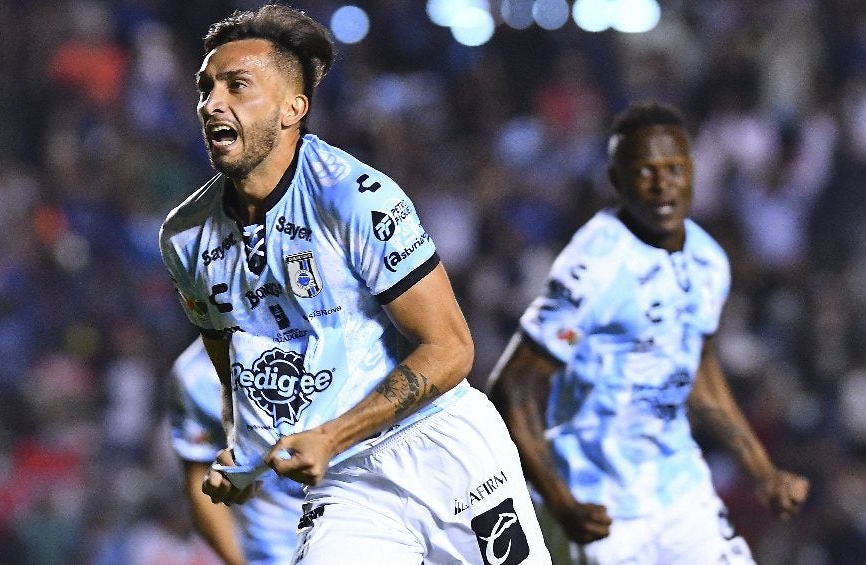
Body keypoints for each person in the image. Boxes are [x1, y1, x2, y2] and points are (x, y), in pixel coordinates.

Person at [159, 5, 551, 564]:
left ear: (293, 107)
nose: (212, 103)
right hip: (345, 484)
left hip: (444, 449)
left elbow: (453, 349)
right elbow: (234, 364)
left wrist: (330, 436)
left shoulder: (354, 197)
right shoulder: (185, 237)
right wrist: (245, 452)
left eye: (236, 85)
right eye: (206, 88)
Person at [486, 101, 810, 564]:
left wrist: (763, 473)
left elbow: (699, 373)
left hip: (680, 491)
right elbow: (512, 384)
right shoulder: (595, 263)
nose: (662, 185)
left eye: (674, 168)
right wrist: (561, 502)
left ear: (693, 173)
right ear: (618, 181)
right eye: (643, 171)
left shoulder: (708, 260)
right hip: (604, 506)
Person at [167, 337, 304, 565]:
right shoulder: (195, 375)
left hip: (359, 528)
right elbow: (200, 486)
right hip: (274, 549)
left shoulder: (330, 330)